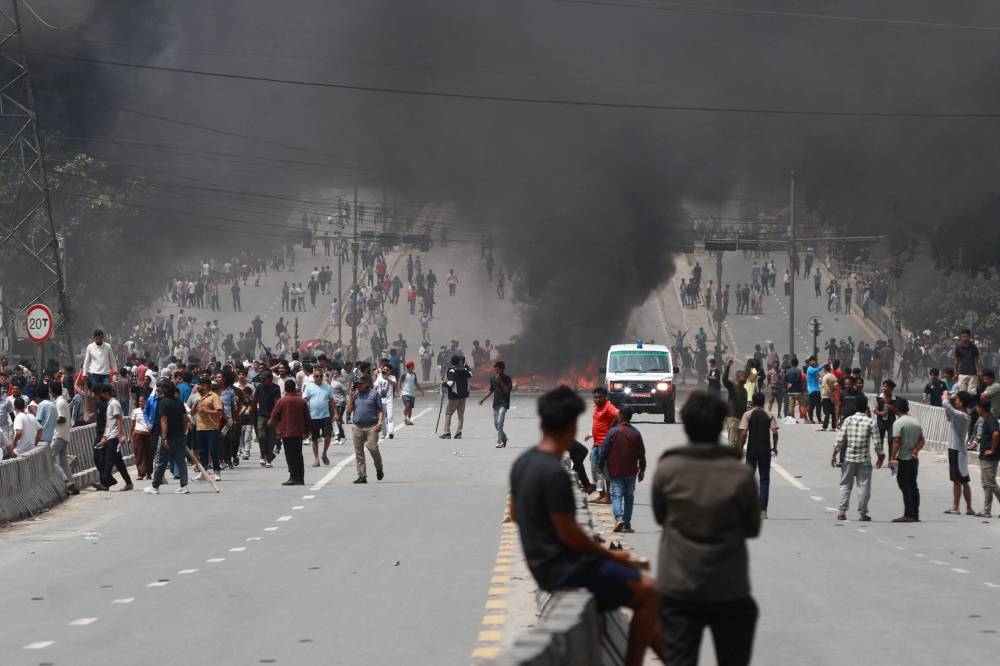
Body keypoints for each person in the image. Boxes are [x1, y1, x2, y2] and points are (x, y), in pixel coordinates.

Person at [510, 386, 664, 666]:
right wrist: (611, 555)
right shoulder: (553, 473)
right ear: (571, 427)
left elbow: (515, 514)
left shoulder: (522, 463)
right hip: (564, 570)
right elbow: (570, 534)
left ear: (541, 423)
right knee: (649, 592)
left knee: (639, 586)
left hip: (542, 566)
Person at [652, 391, 759, 666]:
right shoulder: (740, 473)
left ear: (685, 426)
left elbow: (660, 515)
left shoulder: (668, 468)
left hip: (678, 586)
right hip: (729, 588)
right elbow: (751, 528)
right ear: (721, 425)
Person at [833, 396, 883, 521]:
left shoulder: (848, 420)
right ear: (867, 408)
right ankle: (862, 513)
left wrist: (834, 454)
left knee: (845, 485)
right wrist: (881, 456)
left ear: (855, 408)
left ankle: (841, 511)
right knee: (864, 486)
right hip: (864, 460)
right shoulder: (871, 422)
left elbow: (840, 439)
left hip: (848, 458)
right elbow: (877, 443)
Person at [597, 407, 646, 533]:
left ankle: (619, 518)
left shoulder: (613, 432)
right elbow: (641, 452)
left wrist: (600, 465)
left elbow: (604, 450)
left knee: (616, 495)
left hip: (615, 470)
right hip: (631, 471)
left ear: (621, 416)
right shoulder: (635, 432)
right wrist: (642, 469)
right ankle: (627, 524)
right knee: (629, 497)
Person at [145, 380, 190, 494]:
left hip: (168, 438)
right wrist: (183, 433)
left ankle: (155, 486)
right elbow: (185, 419)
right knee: (181, 461)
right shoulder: (179, 402)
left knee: (161, 462)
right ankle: (184, 486)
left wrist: (164, 438)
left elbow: (164, 420)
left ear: (165, 390)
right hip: (180, 436)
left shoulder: (163, 402)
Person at [738, 393, 778, 519]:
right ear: (763, 402)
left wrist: (740, 448)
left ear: (753, 402)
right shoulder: (769, 414)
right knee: (764, 480)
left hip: (752, 451)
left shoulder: (748, 414)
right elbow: (775, 432)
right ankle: (763, 511)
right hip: (765, 451)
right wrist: (775, 447)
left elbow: (743, 434)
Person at [268, 379, 310, 486]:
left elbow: (274, 415)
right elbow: (307, 418)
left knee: (290, 455)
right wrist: (307, 431)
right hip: (298, 432)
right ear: (294, 388)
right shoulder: (302, 401)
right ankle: (300, 478)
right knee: (298, 455)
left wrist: (269, 424)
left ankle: (293, 476)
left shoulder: (282, 401)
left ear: (286, 389)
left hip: (286, 432)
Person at [888, 398, 923, 523]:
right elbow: (921, 440)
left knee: (905, 486)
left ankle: (908, 514)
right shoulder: (915, 421)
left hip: (904, 459)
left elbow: (896, 441)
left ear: (897, 409)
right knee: (913, 486)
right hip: (913, 459)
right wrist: (916, 450)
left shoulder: (899, 423)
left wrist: (892, 458)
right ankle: (915, 514)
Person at [347, 373, 385, 484]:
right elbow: (349, 410)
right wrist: (350, 395)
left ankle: (379, 467)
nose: (358, 385)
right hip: (357, 426)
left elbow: (380, 410)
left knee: (372, 447)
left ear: (366, 383)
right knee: (358, 452)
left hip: (372, 426)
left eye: (360, 383)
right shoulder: (355, 395)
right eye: (356, 383)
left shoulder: (374, 394)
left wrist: (379, 423)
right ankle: (362, 475)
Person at [942, 389, 974, 516]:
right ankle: (969, 508)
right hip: (959, 450)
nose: (955, 401)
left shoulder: (962, 415)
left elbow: (946, 405)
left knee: (957, 480)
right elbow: (948, 415)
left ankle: (955, 507)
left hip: (956, 450)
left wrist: (945, 395)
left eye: (957, 400)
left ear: (962, 403)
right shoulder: (963, 415)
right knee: (964, 480)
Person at [585, 387, 619, 505]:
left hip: (605, 445)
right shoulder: (596, 407)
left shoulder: (608, 406)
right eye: (595, 397)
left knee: (605, 471)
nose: (597, 399)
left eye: (600, 397)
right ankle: (602, 494)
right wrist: (591, 434)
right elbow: (598, 423)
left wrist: (611, 428)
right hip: (596, 444)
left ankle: (608, 497)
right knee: (596, 471)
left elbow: (618, 415)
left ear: (605, 397)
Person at [97, 383, 132, 491]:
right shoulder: (110, 404)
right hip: (110, 436)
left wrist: (120, 435)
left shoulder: (114, 404)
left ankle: (106, 482)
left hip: (114, 437)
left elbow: (118, 419)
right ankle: (129, 483)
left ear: (106, 393)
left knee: (108, 460)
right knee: (118, 462)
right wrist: (105, 436)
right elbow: (109, 422)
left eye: (102, 393)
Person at [191, 377, 223, 482]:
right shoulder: (198, 397)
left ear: (205, 385)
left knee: (213, 450)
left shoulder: (214, 396)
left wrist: (206, 411)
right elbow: (192, 414)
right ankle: (203, 472)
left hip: (212, 428)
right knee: (202, 452)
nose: (197, 387)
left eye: (199, 385)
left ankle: (217, 471)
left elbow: (219, 412)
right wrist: (194, 406)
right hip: (200, 428)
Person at [50, 381, 78, 494]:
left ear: (52, 391)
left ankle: (65, 480)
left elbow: (62, 419)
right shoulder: (62, 401)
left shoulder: (59, 403)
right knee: (63, 462)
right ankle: (72, 484)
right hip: (64, 435)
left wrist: (51, 419)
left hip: (59, 435)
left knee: (49, 458)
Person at [974, 398, 1000, 517]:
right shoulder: (986, 420)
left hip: (990, 457)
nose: (976, 409)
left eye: (977, 407)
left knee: (991, 484)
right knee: (986, 484)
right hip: (985, 456)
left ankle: (987, 510)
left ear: (981, 408)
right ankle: (986, 510)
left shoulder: (990, 420)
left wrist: (992, 450)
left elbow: (996, 434)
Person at [303, 367, 334, 466]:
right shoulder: (309, 387)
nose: (318, 378)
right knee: (314, 438)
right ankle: (316, 458)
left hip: (325, 416)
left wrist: (336, 413)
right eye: (316, 376)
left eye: (320, 376)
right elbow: (304, 401)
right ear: (313, 376)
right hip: (313, 417)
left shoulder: (327, 387)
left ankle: (324, 453)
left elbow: (332, 401)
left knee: (328, 436)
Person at [480, 361, 513, 448]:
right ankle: (504, 437)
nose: (496, 372)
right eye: (495, 370)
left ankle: (499, 442)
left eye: (498, 370)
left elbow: (507, 391)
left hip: (504, 403)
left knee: (500, 423)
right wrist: (483, 400)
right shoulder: (493, 379)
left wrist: (500, 381)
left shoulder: (507, 378)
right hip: (496, 404)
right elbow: (491, 390)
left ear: (502, 369)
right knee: (496, 424)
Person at [439, 355, 472, 440]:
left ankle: (447, 433)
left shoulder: (451, 371)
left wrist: (442, 383)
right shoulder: (464, 370)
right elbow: (471, 374)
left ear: (452, 362)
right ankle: (458, 433)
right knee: (461, 415)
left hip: (454, 396)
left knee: (448, 414)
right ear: (460, 362)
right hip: (463, 396)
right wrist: (466, 366)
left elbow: (450, 383)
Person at [254, 371, 281, 467]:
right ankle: (262, 455)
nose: (261, 380)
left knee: (271, 439)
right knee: (261, 437)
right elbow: (255, 400)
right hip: (261, 415)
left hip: (272, 416)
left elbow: (277, 404)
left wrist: (273, 418)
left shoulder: (276, 389)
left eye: (263, 379)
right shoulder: (259, 388)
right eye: (261, 378)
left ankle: (269, 458)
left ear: (270, 379)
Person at [721, 357, 748, 448]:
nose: (745, 377)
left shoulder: (744, 390)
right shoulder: (732, 386)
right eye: (743, 376)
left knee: (740, 444)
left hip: (741, 419)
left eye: (745, 376)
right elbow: (724, 380)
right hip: (733, 418)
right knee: (733, 443)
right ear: (737, 378)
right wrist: (727, 367)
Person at [131, 394, 153, 480]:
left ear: (146, 402)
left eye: (142, 401)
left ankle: (149, 473)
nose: (141, 403)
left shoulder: (150, 411)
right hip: (138, 434)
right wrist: (130, 435)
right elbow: (132, 425)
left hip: (148, 435)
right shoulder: (135, 411)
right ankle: (141, 473)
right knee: (139, 454)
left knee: (149, 454)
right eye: (139, 401)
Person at [953, 328, 982, 393]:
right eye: (964, 337)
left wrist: (980, 371)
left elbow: (978, 360)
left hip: (973, 374)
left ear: (970, 337)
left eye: (967, 336)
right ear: (961, 337)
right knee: (962, 393)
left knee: (972, 393)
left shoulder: (974, 347)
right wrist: (955, 372)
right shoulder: (958, 348)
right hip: (962, 373)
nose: (965, 338)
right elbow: (956, 361)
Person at [399, 361, 424, 426]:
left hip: (412, 393)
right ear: (410, 367)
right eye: (413, 366)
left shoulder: (414, 374)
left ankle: (409, 420)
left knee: (410, 408)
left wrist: (421, 391)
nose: (414, 367)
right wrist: (399, 391)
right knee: (407, 406)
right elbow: (399, 382)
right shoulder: (404, 374)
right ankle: (405, 418)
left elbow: (416, 383)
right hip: (405, 393)